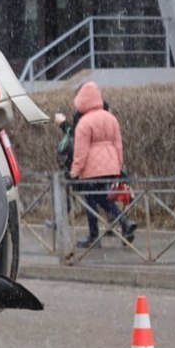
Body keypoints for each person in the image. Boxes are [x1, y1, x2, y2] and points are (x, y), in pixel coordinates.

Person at [68, 81, 136, 248]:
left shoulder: (84, 122)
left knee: (91, 198)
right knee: (103, 196)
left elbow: (81, 151)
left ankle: (94, 235)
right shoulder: (110, 118)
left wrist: (75, 170)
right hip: (110, 165)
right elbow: (118, 143)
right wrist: (119, 165)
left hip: (91, 169)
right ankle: (123, 222)